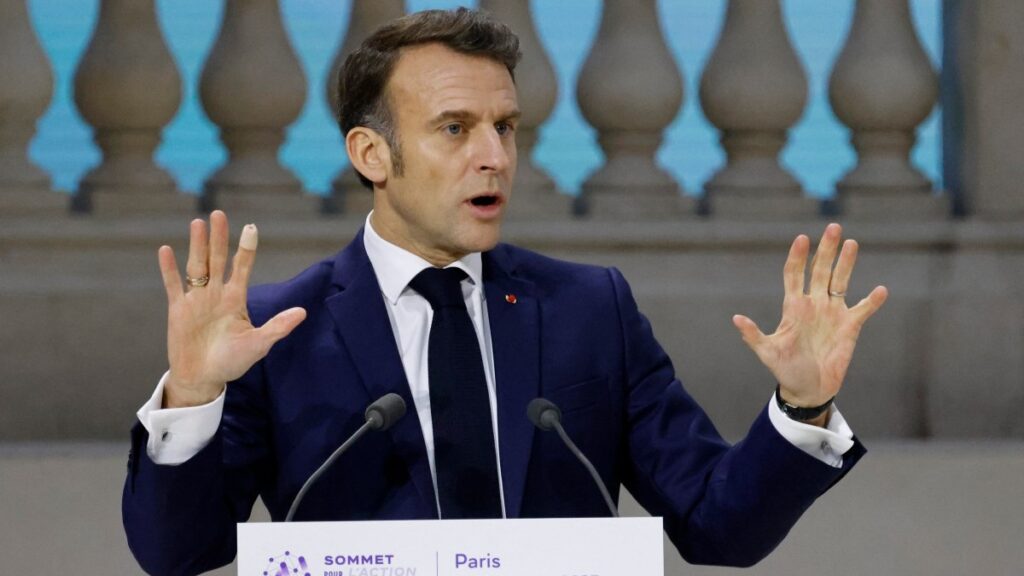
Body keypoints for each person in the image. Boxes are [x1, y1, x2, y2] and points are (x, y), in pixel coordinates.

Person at [122, 8, 888, 575]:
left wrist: (802, 408)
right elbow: (177, 553)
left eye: (506, 126)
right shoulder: (278, 330)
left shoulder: (592, 312)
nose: (494, 156)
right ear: (372, 154)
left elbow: (720, 528)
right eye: (455, 129)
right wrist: (191, 394)